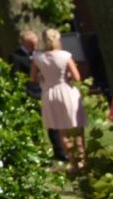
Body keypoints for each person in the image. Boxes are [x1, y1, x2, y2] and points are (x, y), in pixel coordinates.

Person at [33, 27, 86, 168]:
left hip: (50, 94)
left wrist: (42, 76)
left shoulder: (38, 58)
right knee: (77, 127)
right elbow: (77, 77)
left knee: (62, 130)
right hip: (66, 91)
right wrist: (67, 75)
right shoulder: (65, 55)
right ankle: (82, 159)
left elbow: (33, 77)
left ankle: (72, 162)